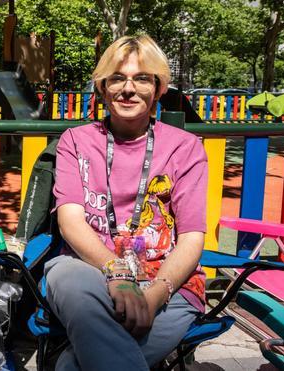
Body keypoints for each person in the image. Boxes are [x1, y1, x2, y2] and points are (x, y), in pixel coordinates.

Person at [46, 35, 208, 370]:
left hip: (167, 280)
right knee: (69, 279)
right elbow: (70, 221)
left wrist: (153, 296)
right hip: (88, 269)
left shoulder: (186, 148)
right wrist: (117, 272)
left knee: (72, 366)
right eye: (117, 78)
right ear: (103, 88)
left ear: (159, 88)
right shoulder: (75, 142)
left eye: (142, 78)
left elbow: (192, 237)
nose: (128, 89)